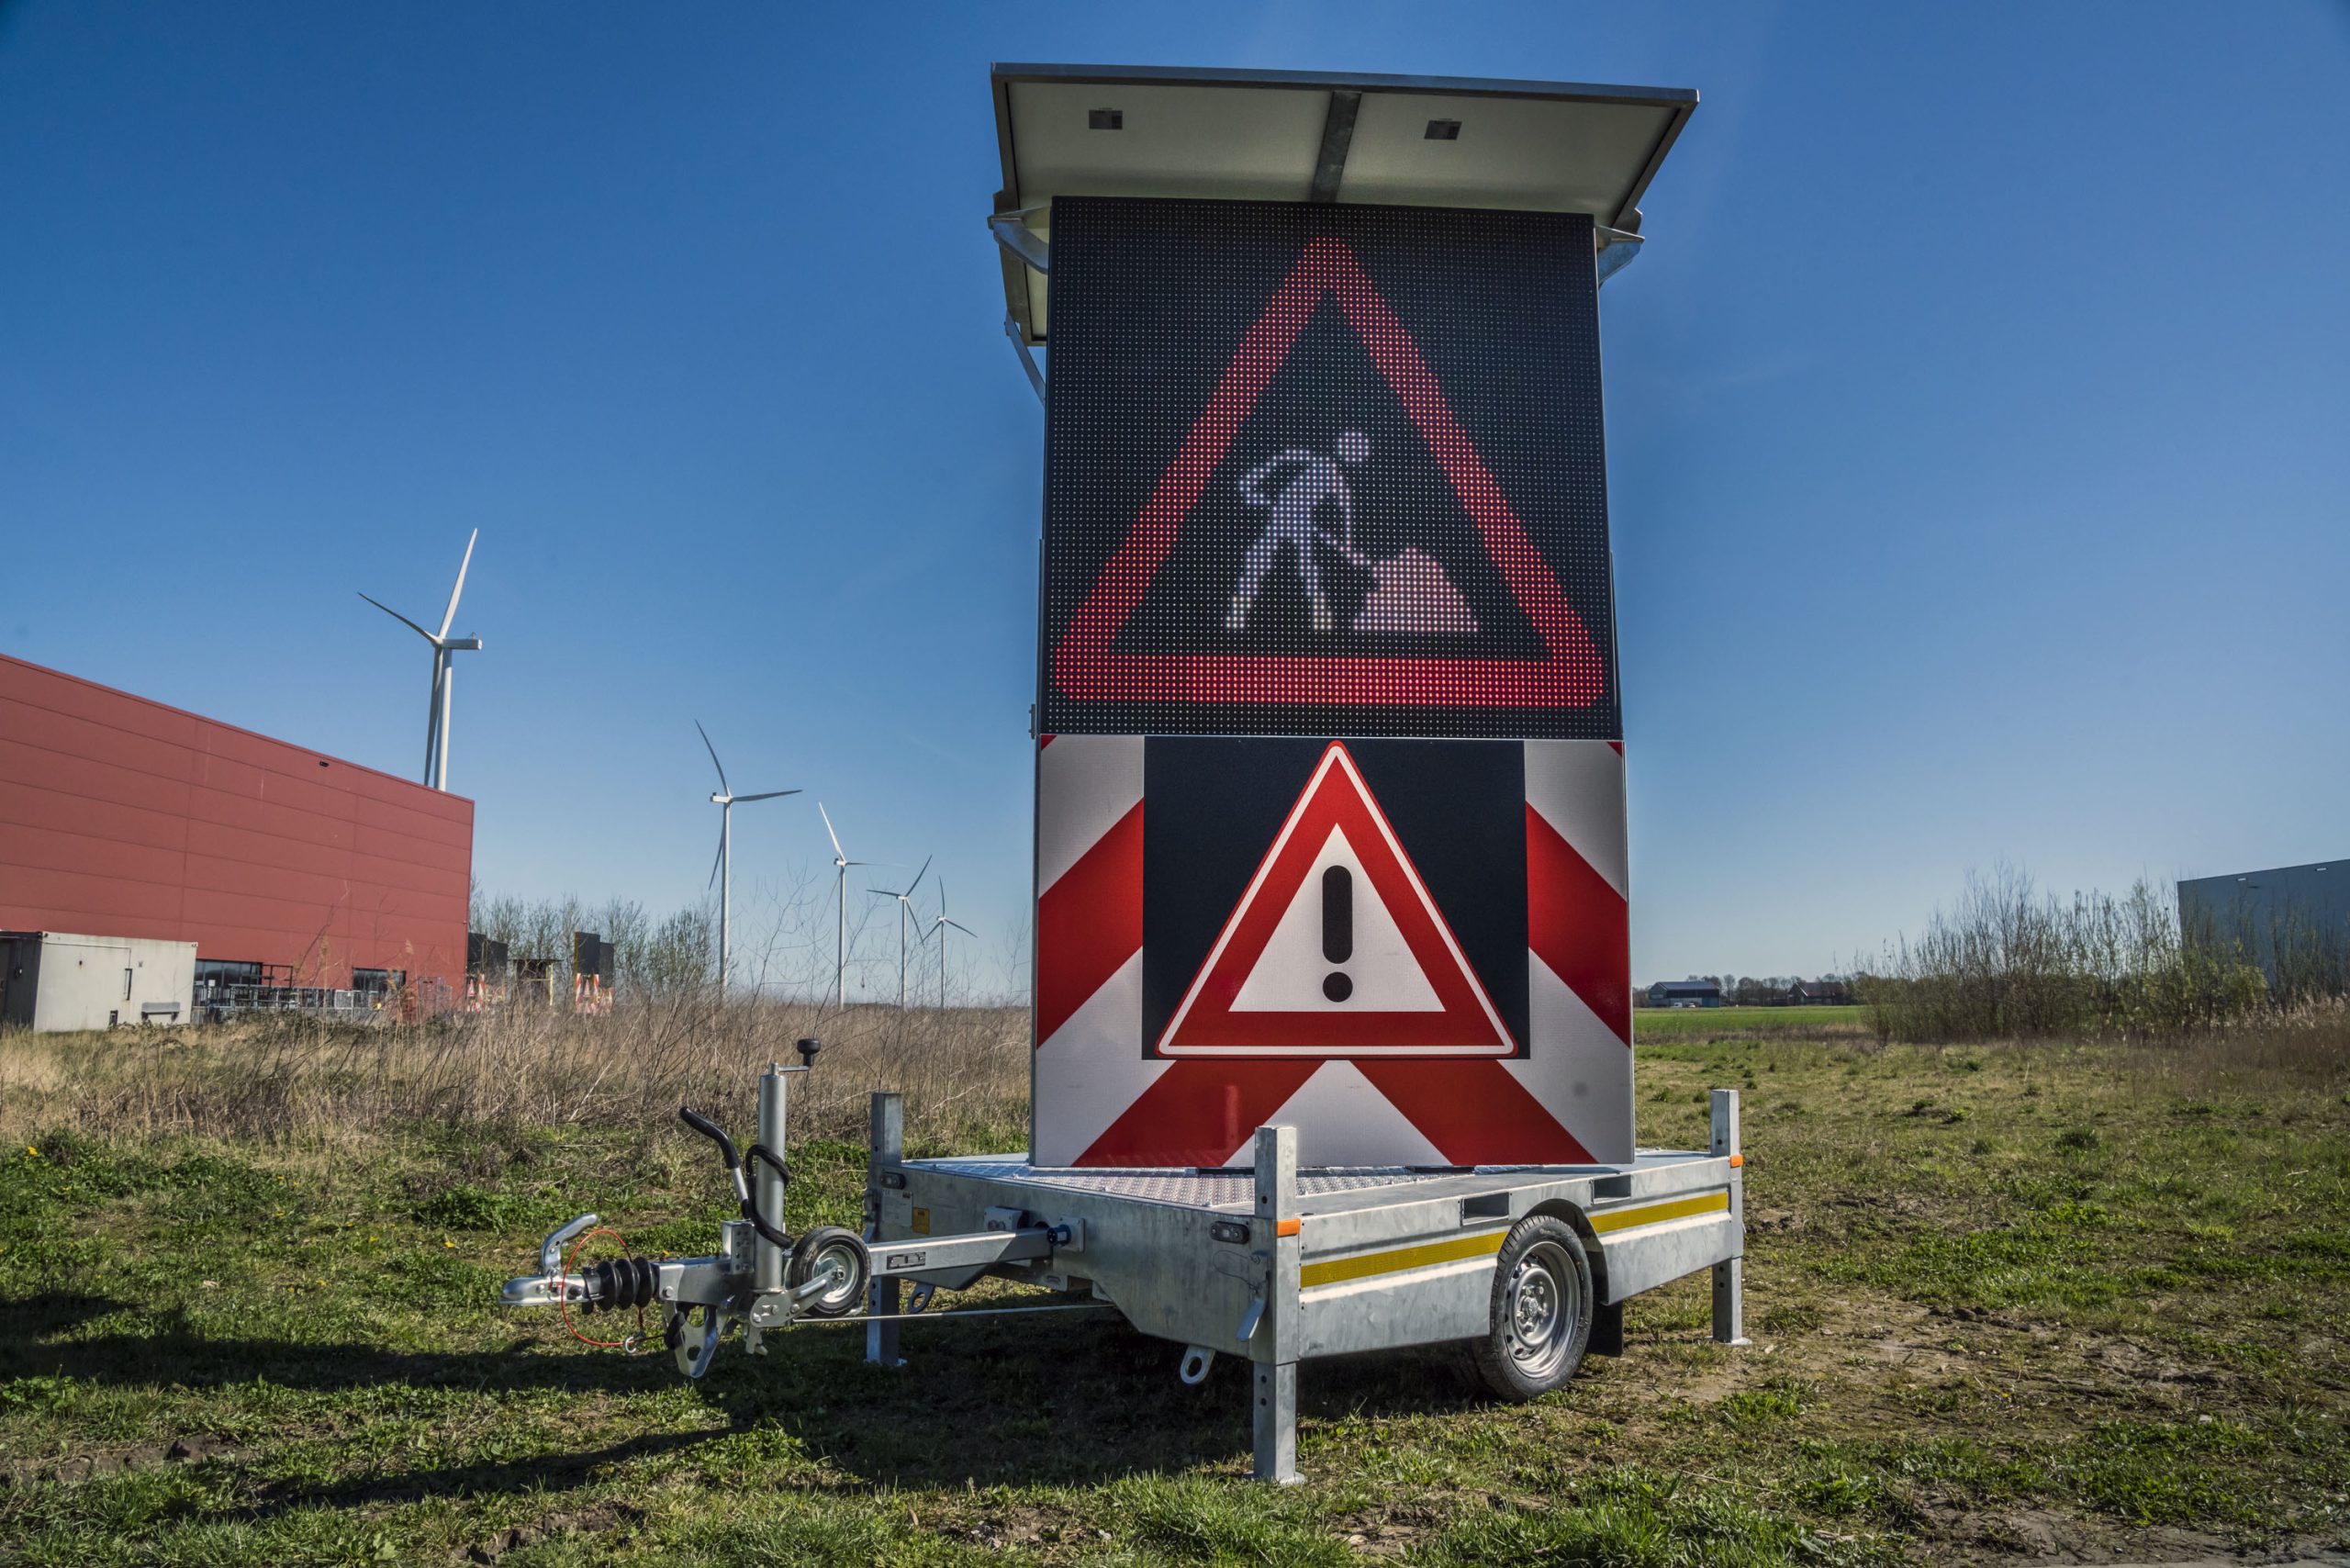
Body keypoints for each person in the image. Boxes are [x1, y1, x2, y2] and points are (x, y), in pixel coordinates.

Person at [1225, 431, 1370, 634]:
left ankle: (1321, 621)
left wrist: (1347, 542)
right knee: (1259, 562)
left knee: (1304, 569)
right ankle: (1237, 616)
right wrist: (1254, 482)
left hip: (1299, 522)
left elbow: (1346, 510)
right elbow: (1281, 459)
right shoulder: (1311, 461)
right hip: (1282, 516)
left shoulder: (1335, 480)